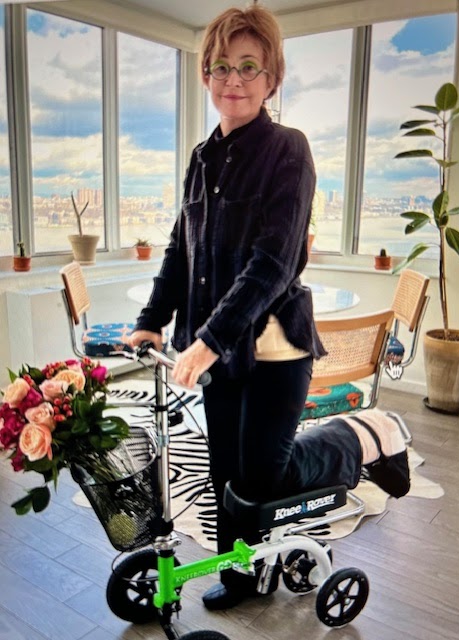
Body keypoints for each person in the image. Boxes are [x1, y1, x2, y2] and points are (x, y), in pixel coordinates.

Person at [128, 4, 409, 611]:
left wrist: (207, 341)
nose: (234, 78)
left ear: (272, 78)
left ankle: (366, 434)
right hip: (220, 351)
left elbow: (274, 262)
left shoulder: (288, 149)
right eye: (221, 66)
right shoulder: (201, 159)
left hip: (276, 345)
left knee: (263, 477)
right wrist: (151, 320)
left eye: (249, 66)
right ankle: (244, 577)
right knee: (225, 476)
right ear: (206, 75)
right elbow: (181, 249)